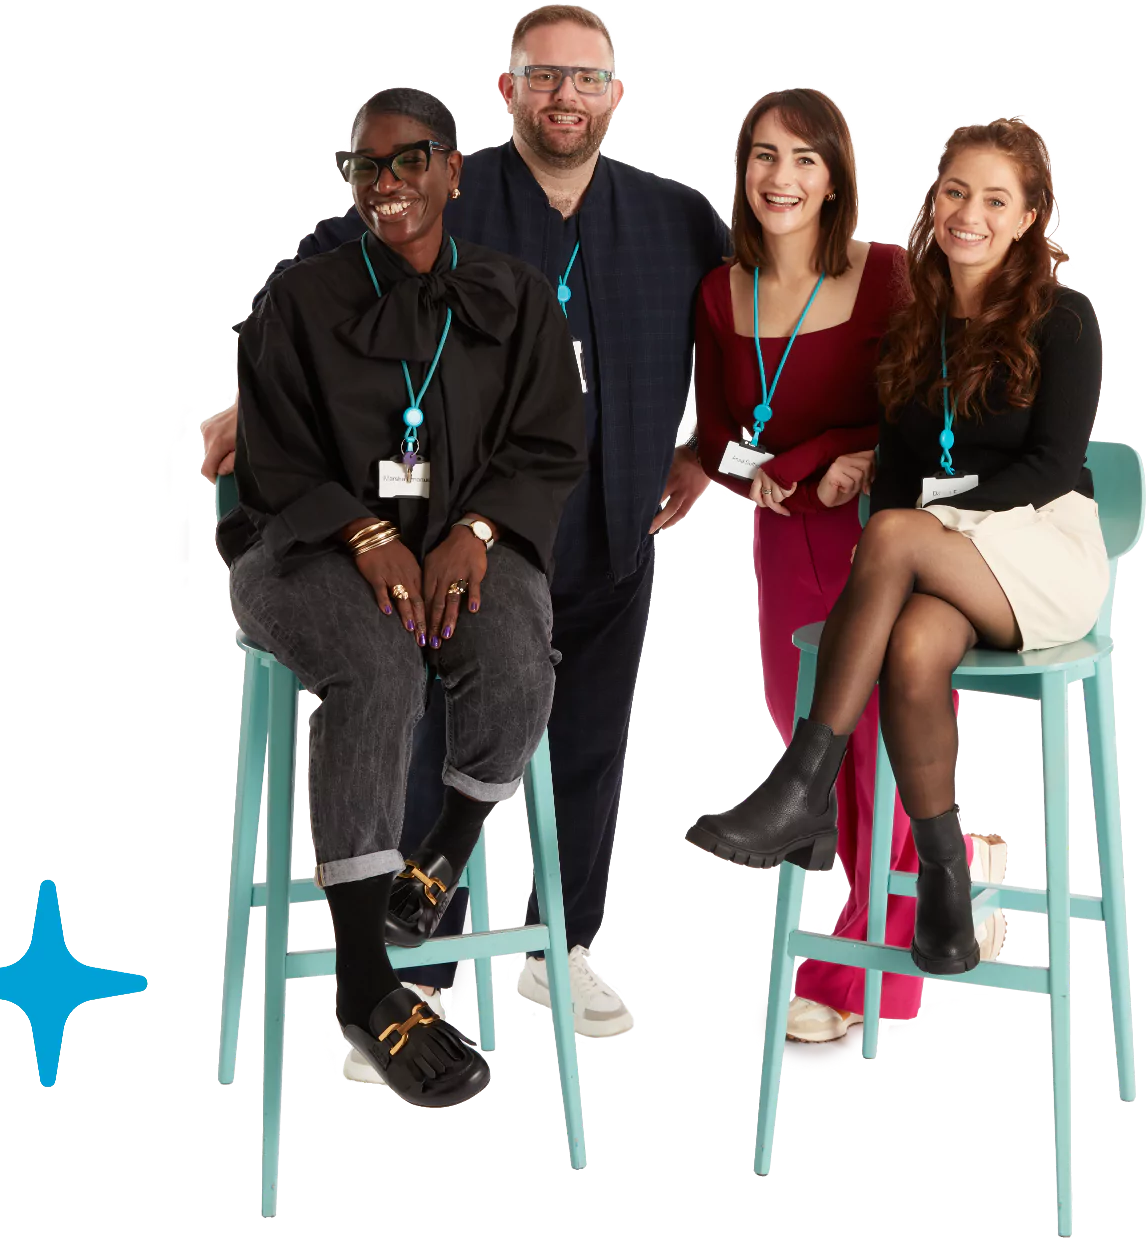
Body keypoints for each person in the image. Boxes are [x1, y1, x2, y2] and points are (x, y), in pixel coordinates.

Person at [203, 5, 728, 1078]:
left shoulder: (674, 217)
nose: (564, 96)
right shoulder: (435, 201)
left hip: (586, 520)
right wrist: (247, 409)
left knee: (583, 740)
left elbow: (737, 321)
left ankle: (563, 946)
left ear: (617, 92)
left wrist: (709, 447)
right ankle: (409, 969)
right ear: (505, 89)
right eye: (543, 76)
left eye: (586, 77)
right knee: (394, 686)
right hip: (419, 526)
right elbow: (320, 280)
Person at [216, 89, 587, 1105]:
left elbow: (550, 441)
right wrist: (368, 534)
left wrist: (469, 529)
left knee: (514, 645)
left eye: (409, 161)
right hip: (304, 544)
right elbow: (275, 461)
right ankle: (365, 980)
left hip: (466, 535)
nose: (387, 185)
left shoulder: (514, 296)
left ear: (453, 170)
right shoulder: (299, 298)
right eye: (366, 167)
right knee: (376, 661)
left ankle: (445, 849)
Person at [689, 117, 1104, 986]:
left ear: (1030, 217)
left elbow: (1052, 467)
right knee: (911, 646)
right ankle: (946, 881)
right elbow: (903, 472)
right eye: (955, 191)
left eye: (996, 199)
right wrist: (897, 506)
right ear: (932, 198)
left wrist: (928, 523)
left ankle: (804, 782)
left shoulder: (1061, 317)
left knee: (891, 531)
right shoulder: (917, 323)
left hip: (1040, 551)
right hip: (950, 561)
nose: (969, 214)